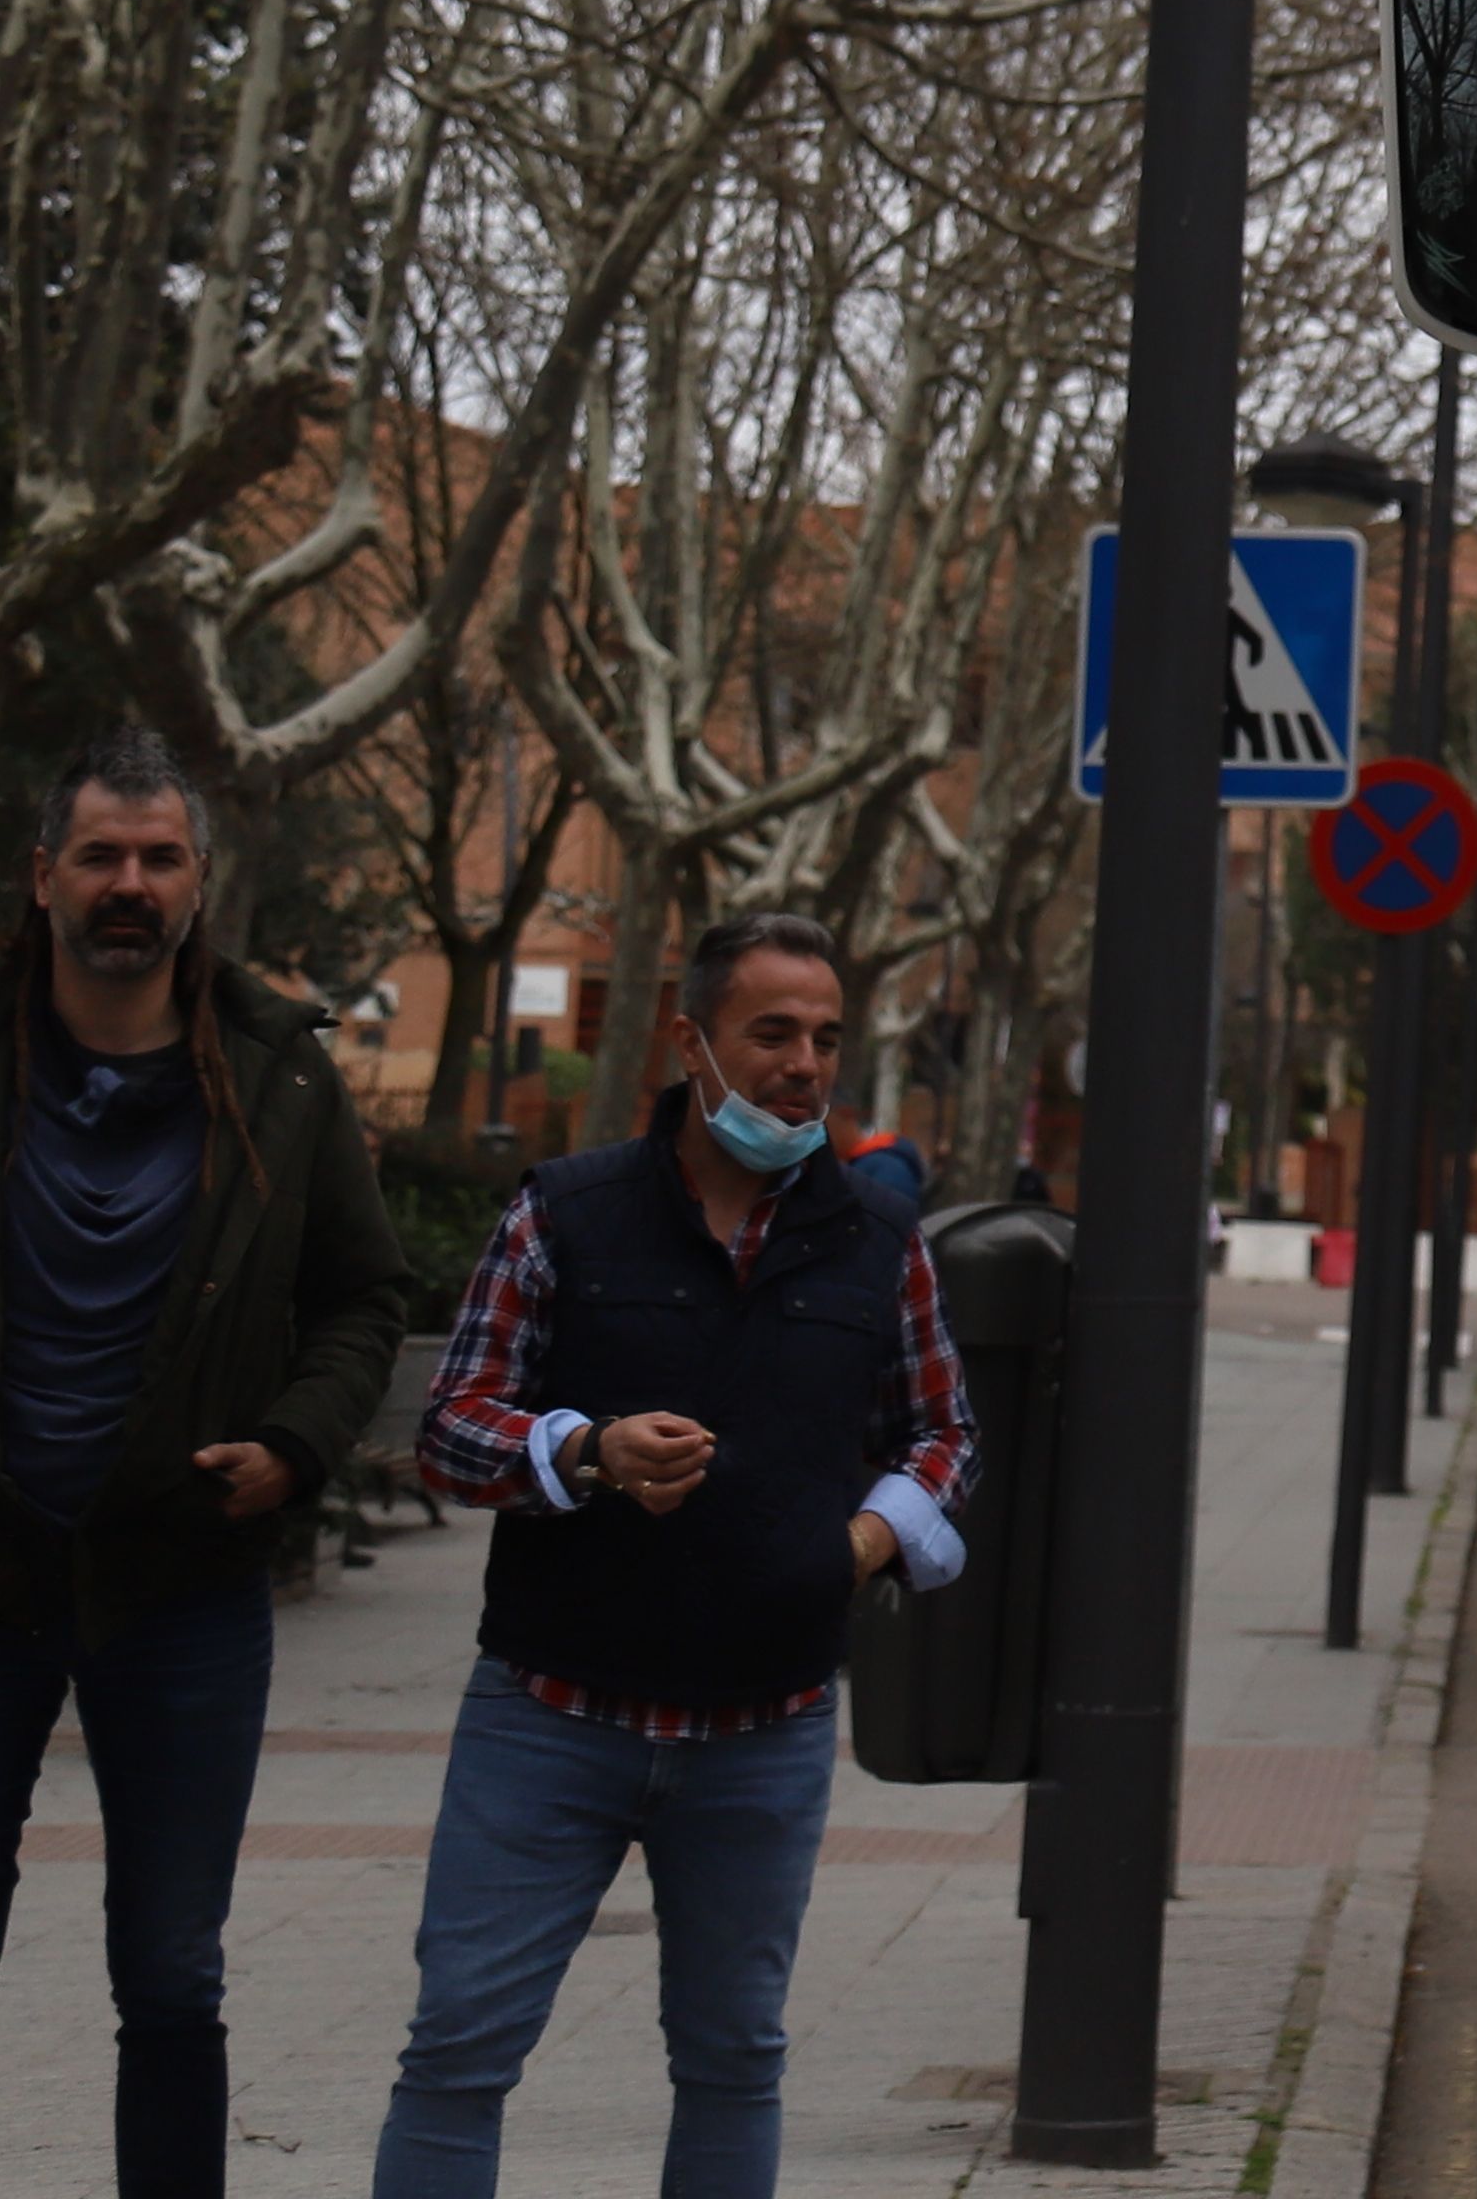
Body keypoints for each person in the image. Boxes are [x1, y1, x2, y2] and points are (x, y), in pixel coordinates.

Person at [0, 734, 419, 2199]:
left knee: (175, 1982)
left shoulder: (284, 1079)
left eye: (160, 858)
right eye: (102, 857)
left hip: (180, 1586)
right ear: (43, 879)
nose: (130, 884)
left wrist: (300, 1445)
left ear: (201, 881)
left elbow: (362, 1298)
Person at [376, 911, 973, 2199]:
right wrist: (583, 1449)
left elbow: (943, 1434)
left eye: (824, 1037)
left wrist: (865, 1538)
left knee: (733, 2061)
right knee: (460, 2049)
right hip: (550, 1717)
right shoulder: (566, 1212)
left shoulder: (878, 1240)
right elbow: (451, 1424)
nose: (803, 1065)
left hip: (766, 1730)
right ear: (690, 1042)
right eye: (771, 1033)